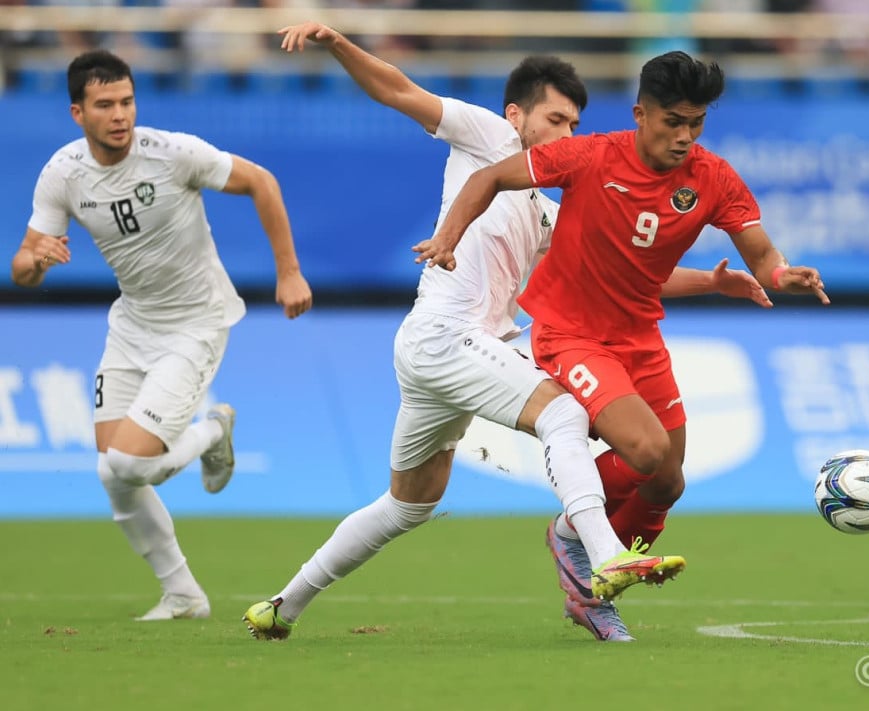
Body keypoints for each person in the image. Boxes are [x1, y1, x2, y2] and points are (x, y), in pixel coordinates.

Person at [244, 25, 770, 643]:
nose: (567, 134)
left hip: (461, 353)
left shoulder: (545, 208)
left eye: (575, 124)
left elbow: (625, 273)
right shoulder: (489, 136)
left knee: (407, 505)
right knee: (564, 413)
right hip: (445, 337)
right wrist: (337, 44)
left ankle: (281, 606)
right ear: (517, 115)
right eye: (556, 119)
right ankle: (603, 556)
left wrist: (713, 281)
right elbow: (396, 90)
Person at [414, 50, 829, 639]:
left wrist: (782, 275)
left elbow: (762, 256)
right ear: (641, 114)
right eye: (673, 122)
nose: (685, 137)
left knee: (667, 481)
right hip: (571, 333)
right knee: (646, 450)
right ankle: (574, 538)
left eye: (696, 123)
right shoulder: (590, 156)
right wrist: (447, 239)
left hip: (639, 337)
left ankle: (591, 588)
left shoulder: (713, 177)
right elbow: (488, 178)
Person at [11, 49, 313, 621]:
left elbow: (262, 182)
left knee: (127, 464)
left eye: (127, 101)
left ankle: (214, 431)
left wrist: (289, 271)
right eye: (105, 105)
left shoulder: (172, 154)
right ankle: (183, 595)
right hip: (132, 326)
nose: (120, 115)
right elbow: (23, 268)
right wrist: (38, 260)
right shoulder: (63, 174)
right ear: (78, 113)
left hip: (196, 324)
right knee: (113, 472)